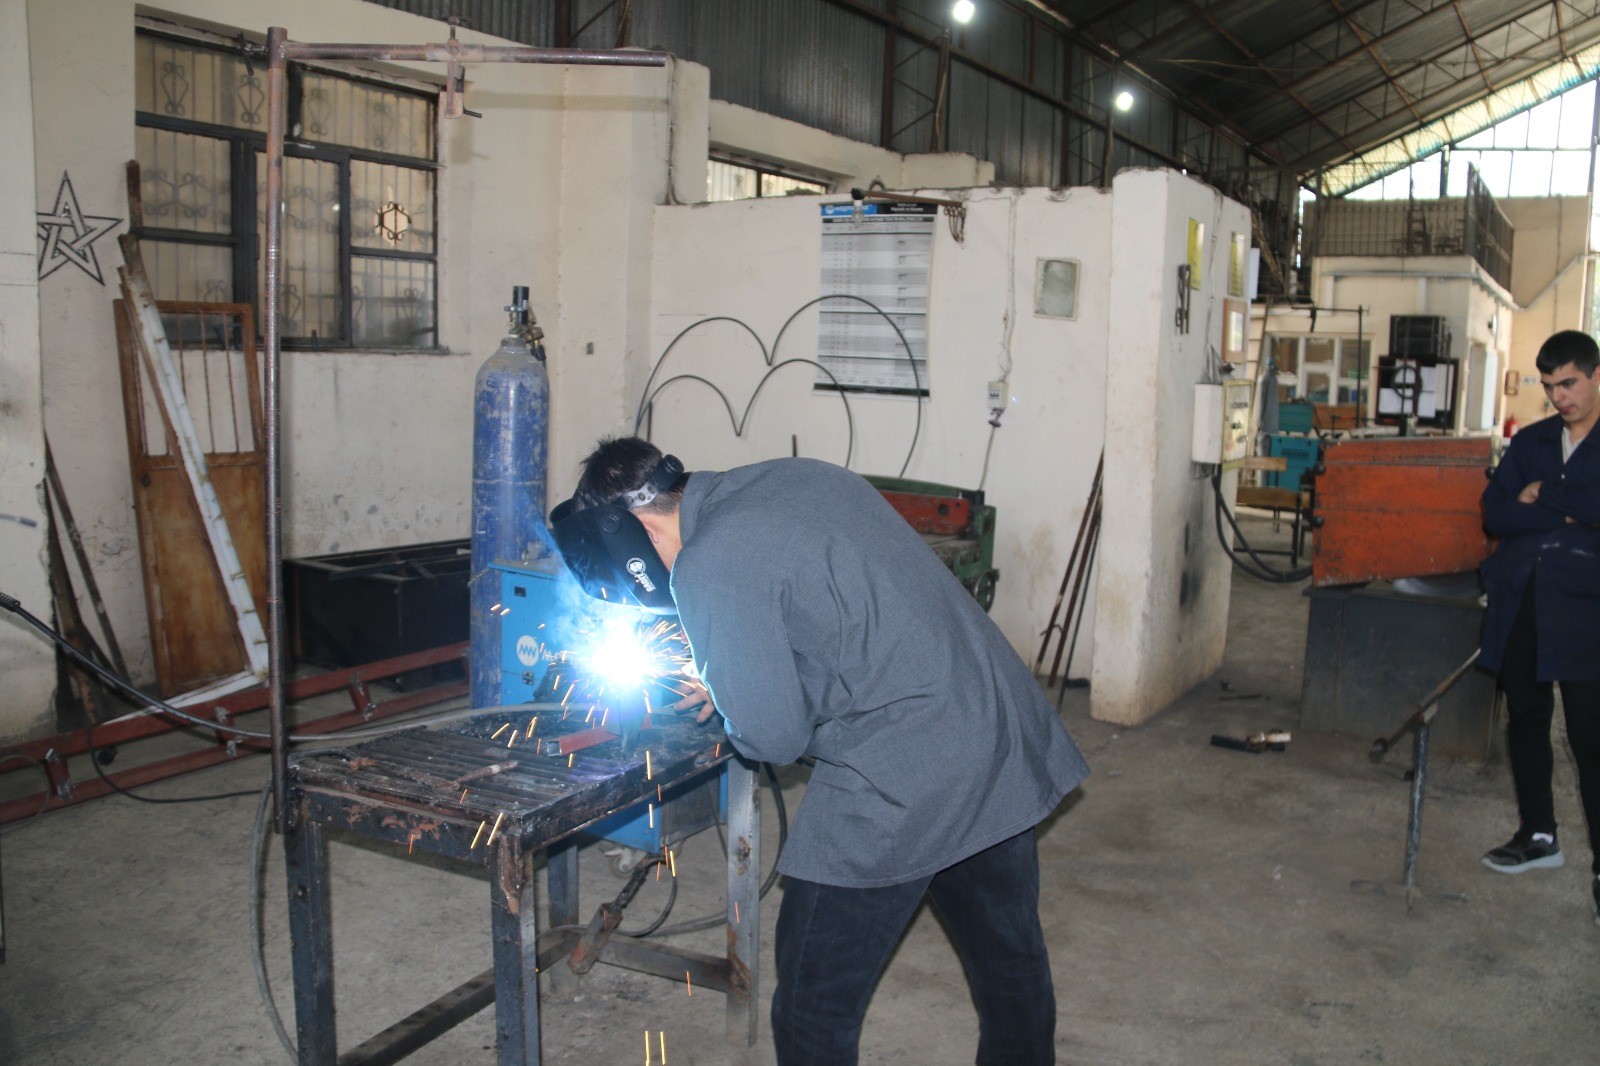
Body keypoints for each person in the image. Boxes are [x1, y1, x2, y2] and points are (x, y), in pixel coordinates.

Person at [570, 437, 1089, 1064]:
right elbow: (847, 623)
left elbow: (773, 737)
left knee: (813, 1007)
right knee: (1009, 965)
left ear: (633, 540)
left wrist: (733, 692)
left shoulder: (709, 563)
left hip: (904, 772)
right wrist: (740, 669)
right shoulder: (796, 476)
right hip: (993, 729)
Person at [1478, 330, 1600, 926]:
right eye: (1550, 386)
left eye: (1569, 383)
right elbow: (1495, 513)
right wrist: (1572, 508)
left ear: (1597, 376)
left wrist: (1543, 494)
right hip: (1522, 600)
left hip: (1587, 611)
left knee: (1590, 741)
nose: (1559, 397)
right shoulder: (1531, 441)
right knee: (1526, 719)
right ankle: (1539, 834)